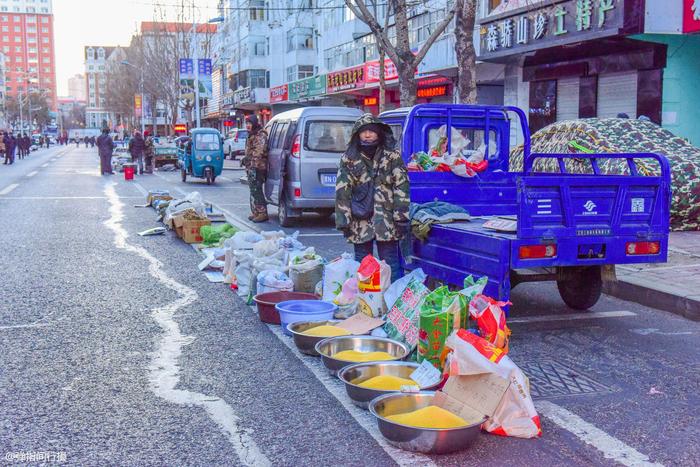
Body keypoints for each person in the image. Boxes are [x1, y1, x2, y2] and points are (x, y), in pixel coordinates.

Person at [335, 113, 410, 284]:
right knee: (362, 263)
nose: (367, 135)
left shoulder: (392, 157)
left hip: (387, 220)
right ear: (357, 134)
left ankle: (394, 301)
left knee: (391, 263)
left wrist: (401, 217)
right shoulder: (349, 158)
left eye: (371, 131)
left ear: (379, 133)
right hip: (360, 221)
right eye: (363, 131)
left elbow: (402, 186)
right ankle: (365, 302)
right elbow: (342, 191)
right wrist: (343, 221)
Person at [241, 115, 269, 222]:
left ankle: (262, 212)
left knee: (257, 189)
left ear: (254, 123)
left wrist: (251, 161)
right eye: (247, 123)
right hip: (251, 166)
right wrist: (246, 159)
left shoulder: (260, 135)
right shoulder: (251, 135)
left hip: (258, 167)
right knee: (253, 190)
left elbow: (259, 151)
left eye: (250, 123)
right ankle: (256, 212)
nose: (248, 126)